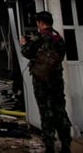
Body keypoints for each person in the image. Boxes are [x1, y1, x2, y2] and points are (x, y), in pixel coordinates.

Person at [21, 11, 71, 153]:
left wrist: (24, 44)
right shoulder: (57, 38)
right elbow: (60, 56)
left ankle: (49, 146)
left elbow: (27, 52)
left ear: (40, 23)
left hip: (43, 82)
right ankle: (66, 145)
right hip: (57, 81)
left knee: (46, 112)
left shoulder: (41, 37)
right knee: (60, 111)